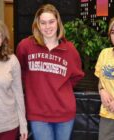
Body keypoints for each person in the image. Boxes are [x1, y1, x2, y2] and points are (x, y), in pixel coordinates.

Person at [16, 3, 84, 140]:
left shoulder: (70, 50)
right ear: (37, 25)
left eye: (51, 22)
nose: (48, 27)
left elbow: (76, 76)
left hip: (64, 113)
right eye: (43, 23)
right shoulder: (25, 46)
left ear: (58, 22)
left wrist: (59, 89)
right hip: (38, 113)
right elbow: (19, 71)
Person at [95, 15, 114, 140]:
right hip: (108, 116)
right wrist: (102, 90)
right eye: (113, 32)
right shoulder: (104, 53)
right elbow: (100, 80)